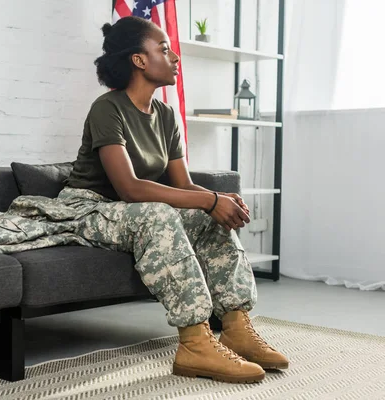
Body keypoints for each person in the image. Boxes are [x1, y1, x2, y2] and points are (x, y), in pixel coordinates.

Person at [59, 16, 289, 384]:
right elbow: (129, 189)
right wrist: (208, 200)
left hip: (132, 210)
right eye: (164, 49)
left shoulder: (165, 115)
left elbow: (181, 182)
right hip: (89, 207)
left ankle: (235, 326)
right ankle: (195, 344)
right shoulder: (108, 108)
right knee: (158, 215)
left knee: (207, 215)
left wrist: (217, 199)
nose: (175, 57)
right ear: (139, 60)